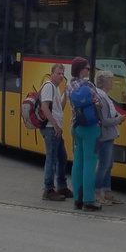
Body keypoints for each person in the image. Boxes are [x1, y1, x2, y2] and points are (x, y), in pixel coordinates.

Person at [67, 56, 102, 211]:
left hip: (76, 127)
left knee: (78, 163)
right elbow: (99, 102)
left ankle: (77, 199)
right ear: (82, 70)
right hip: (91, 128)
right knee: (90, 163)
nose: (88, 71)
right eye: (87, 68)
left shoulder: (69, 84)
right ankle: (89, 200)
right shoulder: (88, 85)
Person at [39, 63, 71, 201]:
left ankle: (62, 186)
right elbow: (44, 107)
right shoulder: (48, 87)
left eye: (62, 73)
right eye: (58, 73)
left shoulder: (56, 89)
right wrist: (55, 125)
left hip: (55, 129)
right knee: (51, 159)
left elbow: (59, 108)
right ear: (52, 74)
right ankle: (48, 189)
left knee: (62, 157)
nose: (61, 76)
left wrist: (66, 95)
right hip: (50, 129)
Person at [94, 69, 126, 205]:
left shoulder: (103, 95)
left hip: (107, 136)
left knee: (108, 165)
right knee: (104, 165)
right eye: (110, 80)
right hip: (105, 136)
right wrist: (119, 120)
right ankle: (96, 193)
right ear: (104, 83)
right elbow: (105, 121)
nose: (112, 83)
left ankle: (107, 192)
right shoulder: (101, 97)